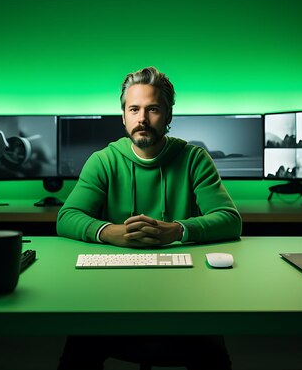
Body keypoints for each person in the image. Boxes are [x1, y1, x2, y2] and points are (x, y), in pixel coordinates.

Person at [56, 66, 242, 370]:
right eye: (134, 109)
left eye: (153, 109)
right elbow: (67, 217)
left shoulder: (194, 159)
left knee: (212, 354)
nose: (142, 118)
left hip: (186, 294)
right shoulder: (103, 160)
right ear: (123, 116)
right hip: (111, 293)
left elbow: (230, 219)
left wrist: (177, 230)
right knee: (79, 350)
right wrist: (108, 231)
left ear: (168, 115)